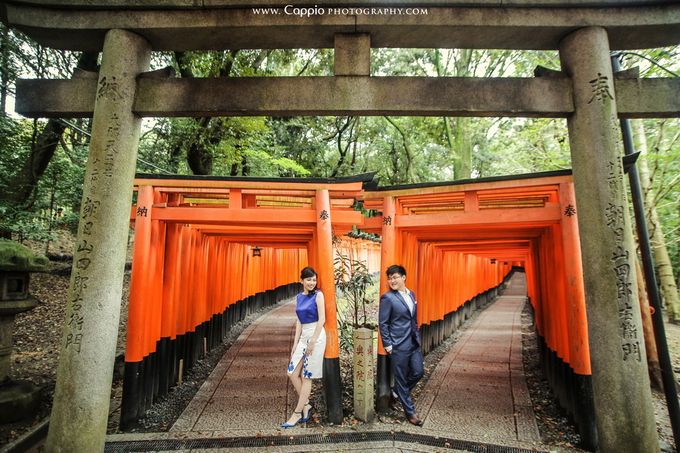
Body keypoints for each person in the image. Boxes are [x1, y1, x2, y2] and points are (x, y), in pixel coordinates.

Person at [378, 264, 424, 426]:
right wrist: (388, 345)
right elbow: (382, 323)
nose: (392, 280)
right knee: (402, 378)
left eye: (395, 277)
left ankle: (396, 393)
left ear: (404, 277)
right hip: (397, 345)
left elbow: (413, 319)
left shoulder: (411, 294)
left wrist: (416, 334)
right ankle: (410, 413)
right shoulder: (388, 298)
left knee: (419, 372)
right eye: (390, 278)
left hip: (413, 342)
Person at [282, 266, 327, 428]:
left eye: (314, 280)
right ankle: (306, 404)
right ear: (301, 280)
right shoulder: (299, 297)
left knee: (306, 376)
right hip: (303, 337)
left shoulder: (318, 295)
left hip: (316, 336)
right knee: (292, 373)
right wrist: (295, 343)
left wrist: (313, 341)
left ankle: (297, 413)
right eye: (308, 279)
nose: (312, 283)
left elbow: (322, 319)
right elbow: (299, 321)